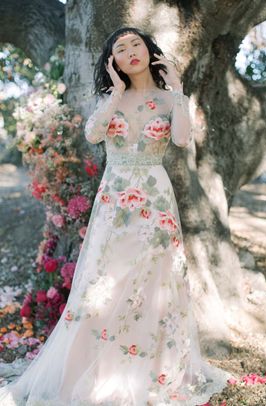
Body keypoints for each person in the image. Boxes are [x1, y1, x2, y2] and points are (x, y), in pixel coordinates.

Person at [0, 26, 233, 405]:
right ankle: (92, 370)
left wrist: (178, 94)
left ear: (149, 50)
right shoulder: (111, 98)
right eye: (120, 49)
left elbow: (181, 139)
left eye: (135, 44)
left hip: (155, 201)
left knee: (153, 280)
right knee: (103, 284)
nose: (130, 52)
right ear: (114, 62)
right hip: (115, 200)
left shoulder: (167, 98)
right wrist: (117, 95)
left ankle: (150, 369)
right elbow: (93, 135)